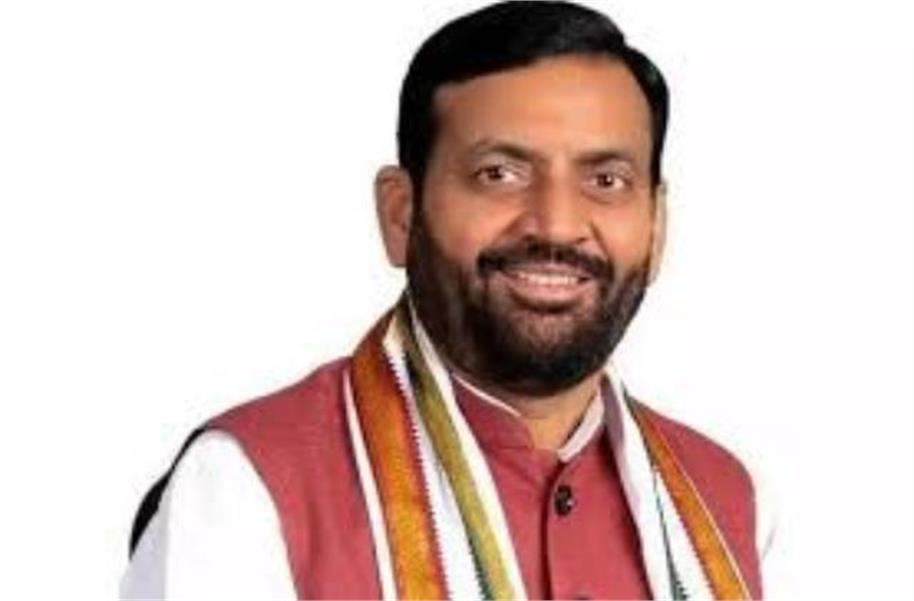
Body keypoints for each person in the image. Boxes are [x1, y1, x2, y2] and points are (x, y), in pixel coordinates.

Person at [122, 1, 773, 599]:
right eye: (500, 174)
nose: (556, 224)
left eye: (607, 179)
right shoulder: (245, 488)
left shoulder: (726, 501)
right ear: (401, 214)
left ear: (656, 226)